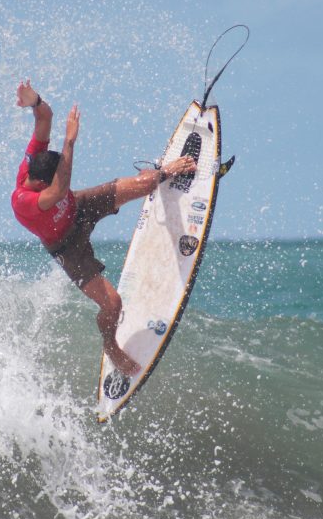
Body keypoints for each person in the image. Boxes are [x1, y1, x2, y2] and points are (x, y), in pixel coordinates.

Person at [11, 79, 196, 377]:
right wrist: (69, 142)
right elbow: (58, 192)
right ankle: (110, 345)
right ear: (43, 182)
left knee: (147, 182)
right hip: (67, 246)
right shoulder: (24, 202)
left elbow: (45, 117)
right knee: (113, 303)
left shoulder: (35, 162)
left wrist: (34, 101)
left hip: (78, 206)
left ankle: (161, 172)